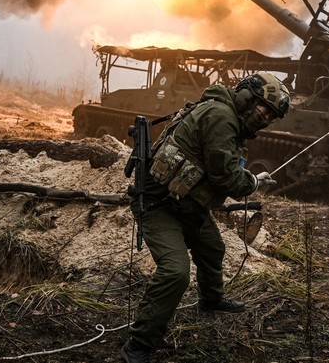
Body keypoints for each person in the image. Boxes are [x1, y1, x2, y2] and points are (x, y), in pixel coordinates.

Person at [121, 72, 291, 363]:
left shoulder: (227, 115)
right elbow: (226, 178)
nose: (265, 120)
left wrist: (244, 178)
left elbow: (218, 167)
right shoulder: (221, 116)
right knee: (175, 272)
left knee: (212, 248)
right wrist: (253, 182)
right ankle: (138, 344)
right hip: (159, 205)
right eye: (264, 110)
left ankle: (211, 300)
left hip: (186, 204)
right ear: (246, 98)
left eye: (271, 117)